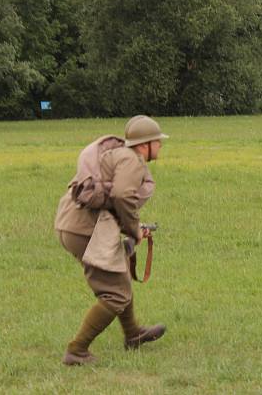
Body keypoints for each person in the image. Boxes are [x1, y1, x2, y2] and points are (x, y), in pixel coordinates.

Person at [55, 115, 168, 365]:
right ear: (144, 145)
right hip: (84, 229)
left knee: (121, 277)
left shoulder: (117, 153)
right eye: (157, 141)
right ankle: (77, 350)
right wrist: (135, 230)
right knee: (115, 293)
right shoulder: (132, 160)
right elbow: (122, 195)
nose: (160, 146)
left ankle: (133, 334)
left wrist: (133, 228)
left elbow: (112, 198)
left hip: (70, 223)